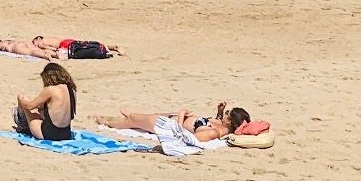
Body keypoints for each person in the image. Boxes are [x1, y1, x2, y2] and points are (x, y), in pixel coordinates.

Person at [94, 101, 250, 142]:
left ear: (230, 123)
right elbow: (213, 121)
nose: (225, 114)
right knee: (148, 115)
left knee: (132, 121)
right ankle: (133, 115)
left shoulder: (213, 132)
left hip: (168, 126)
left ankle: (106, 121)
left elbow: (183, 137)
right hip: (171, 118)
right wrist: (219, 112)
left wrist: (181, 116)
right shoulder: (219, 126)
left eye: (227, 114)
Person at [14, 63, 78, 142]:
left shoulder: (51, 89)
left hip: (48, 135)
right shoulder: (72, 89)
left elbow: (29, 106)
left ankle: (22, 125)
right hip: (66, 134)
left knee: (22, 97)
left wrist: (20, 99)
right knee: (41, 110)